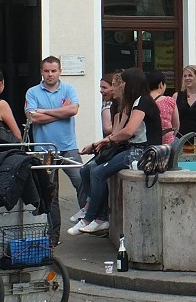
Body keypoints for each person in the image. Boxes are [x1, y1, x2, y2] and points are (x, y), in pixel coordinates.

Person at [69, 68, 161, 235]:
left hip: (143, 152)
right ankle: (95, 216)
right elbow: (119, 132)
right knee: (92, 170)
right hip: (135, 149)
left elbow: (128, 131)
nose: (119, 85)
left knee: (97, 173)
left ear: (131, 83)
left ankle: (93, 218)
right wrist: (102, 142)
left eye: (122, 82)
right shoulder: (134, 102)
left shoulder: (142, 102)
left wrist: (107, 140)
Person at [25, 56, 81, 245]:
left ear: (60, 71)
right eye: (46, 71)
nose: (50, 74)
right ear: (41, 72)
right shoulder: (32, 92)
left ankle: (86, 220)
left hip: (67, 147)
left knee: (81, 180)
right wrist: (60, 111)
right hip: (44, 150)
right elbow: (33, 118)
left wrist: (44, 112)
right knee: (50, 194)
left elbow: (73, 111)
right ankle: (53, 235)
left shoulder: (69, 89)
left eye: (53, 71)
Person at [148, 70, 179, 145]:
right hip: (167, 142)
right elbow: (176, 126)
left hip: (150, 142)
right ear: (161, 84)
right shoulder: (169, 101)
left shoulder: (143, 101)